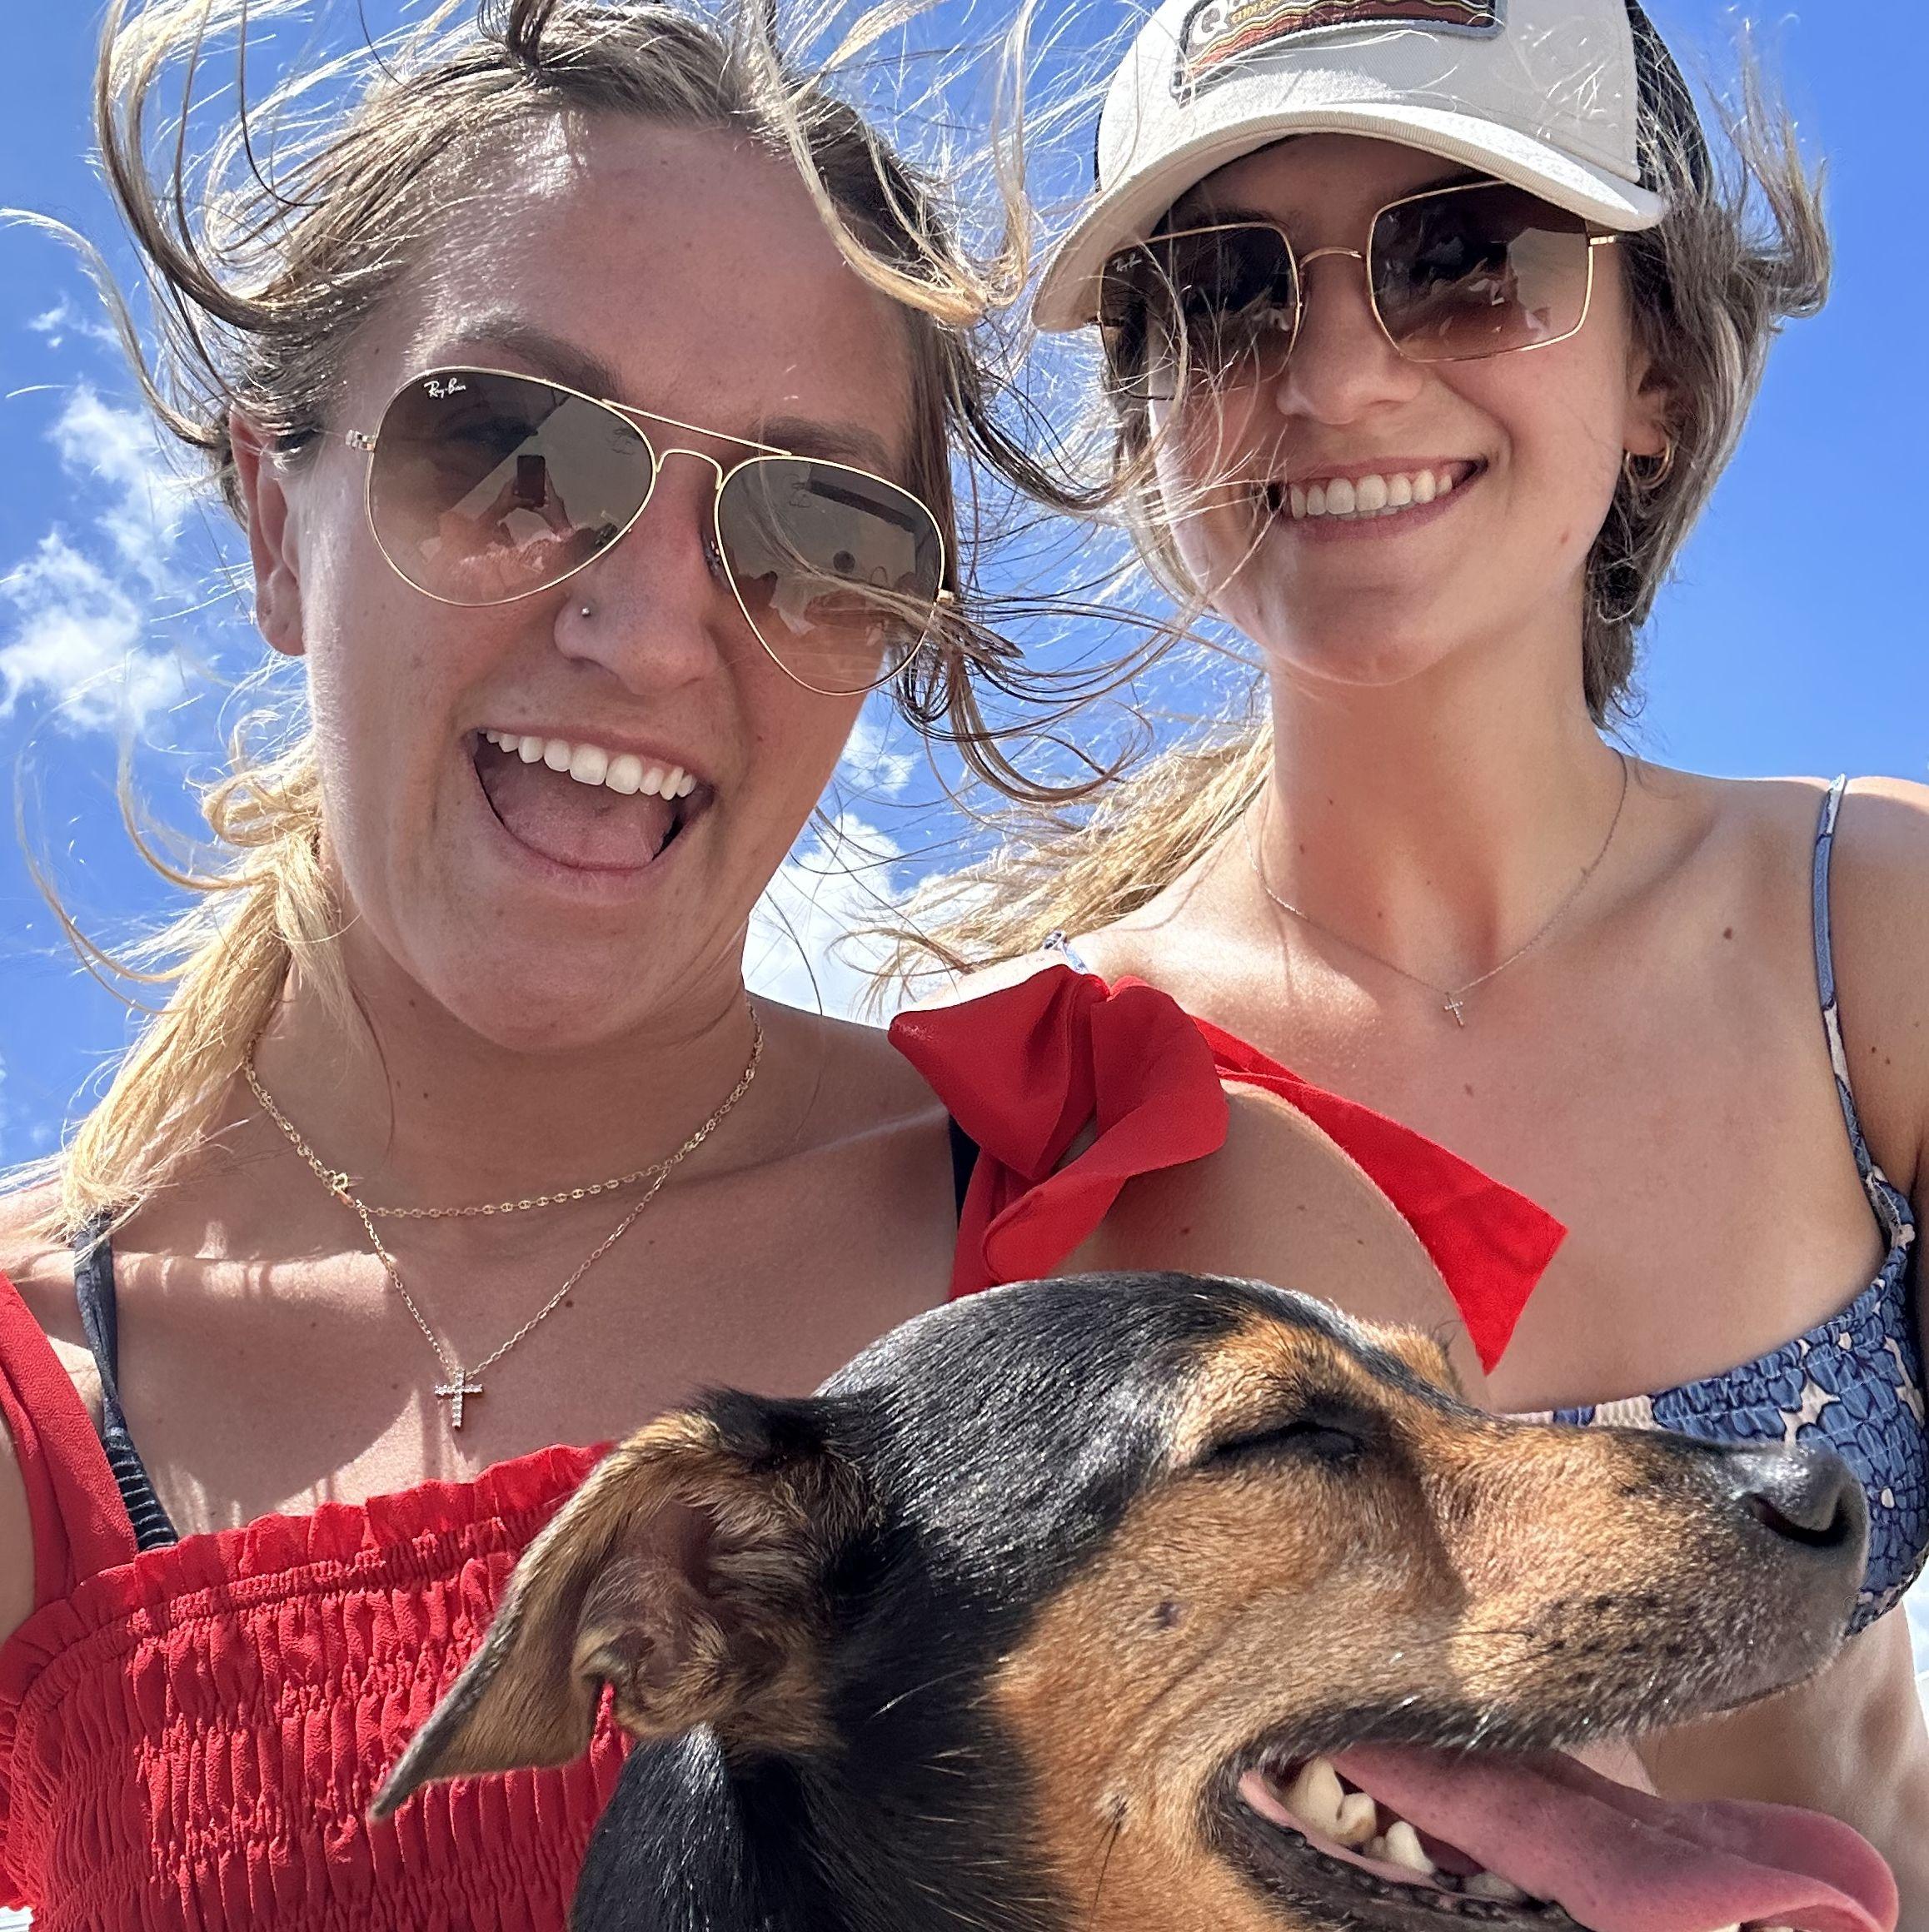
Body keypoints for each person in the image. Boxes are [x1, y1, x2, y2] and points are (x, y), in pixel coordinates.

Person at [0, 1, 1552, 1924]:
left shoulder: (1165, 1221)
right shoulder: (45, 1392)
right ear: (269, 513)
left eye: (814, 521)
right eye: (509, 449)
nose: (651, 629)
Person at [915, 0, 1929, 1898]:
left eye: (1462, 257)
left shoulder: (1874, 927)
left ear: (1657, 368)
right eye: (1224, 292)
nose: (1336, 377)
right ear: (1146, 421)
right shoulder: (1039, 1095)